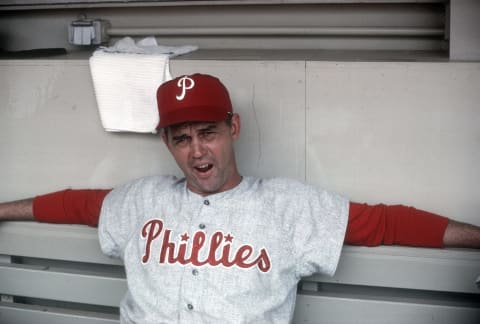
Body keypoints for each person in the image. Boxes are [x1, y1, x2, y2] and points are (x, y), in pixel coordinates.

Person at [1, 73, 479, 323]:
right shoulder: (141, 200)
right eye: (181, 138)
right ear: (167, 143)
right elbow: (76, 205)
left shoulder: (287, 206)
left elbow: (386, 223)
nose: (197, 151)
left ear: (234, 128)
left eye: (207, 133)